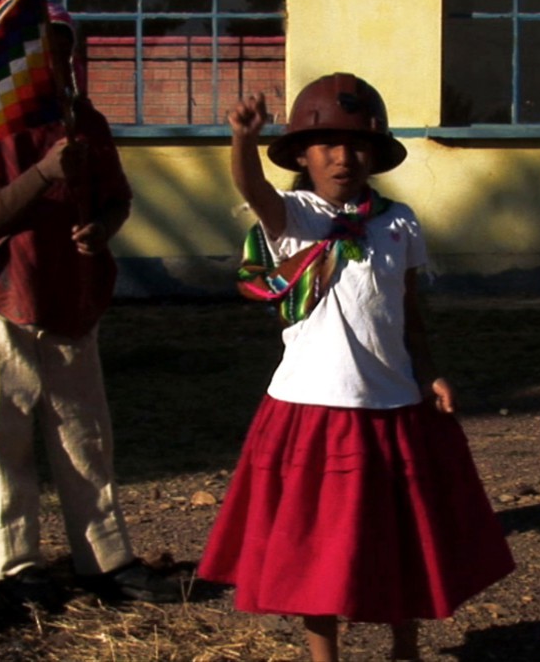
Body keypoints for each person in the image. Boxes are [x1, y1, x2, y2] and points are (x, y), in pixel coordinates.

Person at [197, 73, 515, 661]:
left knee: (400, 537)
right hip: (310, 410)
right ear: (301, 155)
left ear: (376, 154)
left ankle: (404, 646)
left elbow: (408, 313)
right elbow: (252, 186)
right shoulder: (293, 217)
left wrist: (428, 372)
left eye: (358, 145)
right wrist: (242, 140)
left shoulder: (400, 222)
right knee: (312, 549)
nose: (343, 158)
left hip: (393, 408)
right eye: (327, 144)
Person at [0, 0, 178, 607]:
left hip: (71, 294)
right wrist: (44, 172)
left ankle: (105, 560)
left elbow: (115, 199)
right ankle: (15, 567)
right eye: (39, 53)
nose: (54, 65)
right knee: (0, 436)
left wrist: (100, 228)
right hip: (3, 297)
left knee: (85, 435)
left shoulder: (85, 122)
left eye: (63, 53)